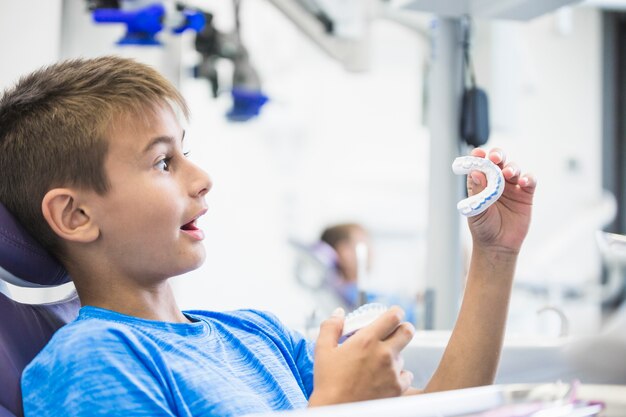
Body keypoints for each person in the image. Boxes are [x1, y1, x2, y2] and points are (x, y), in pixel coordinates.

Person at [0, 56, 536, 416]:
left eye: (186, 151)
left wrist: (495, 253)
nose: (201, 176)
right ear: (74, 216)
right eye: (164, 161)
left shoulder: (257, 336)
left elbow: (437, 409)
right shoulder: (92, 360)